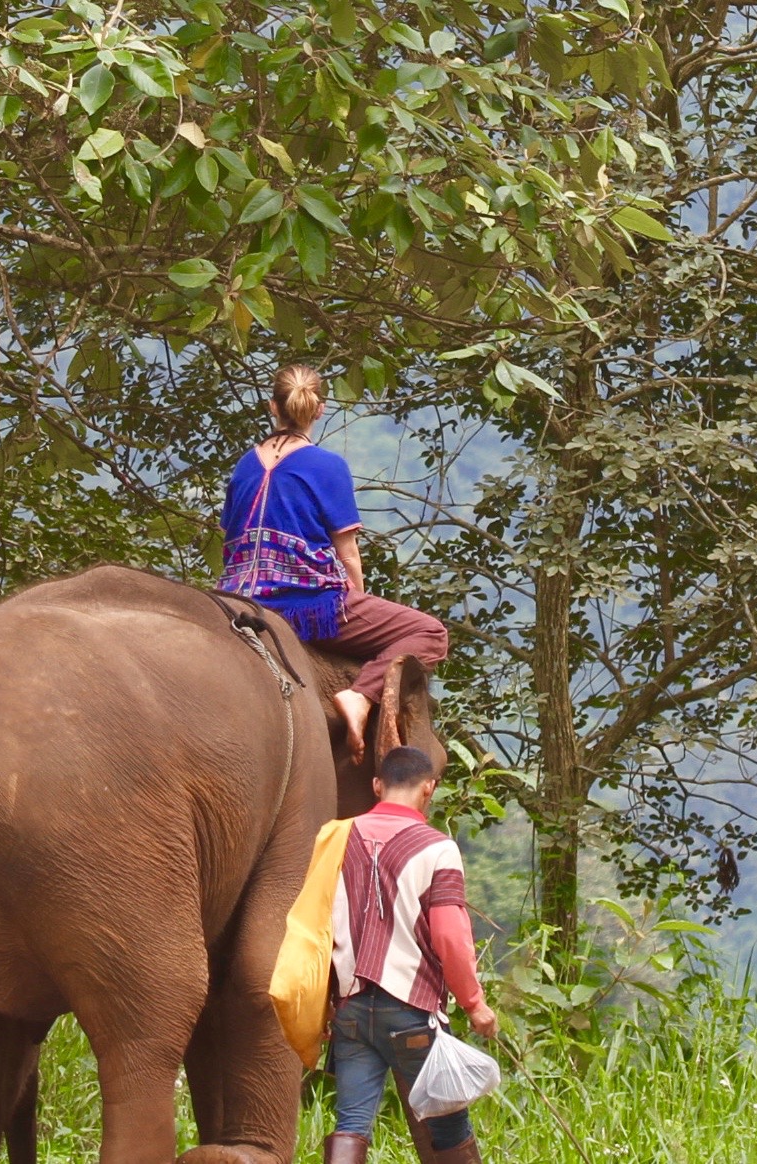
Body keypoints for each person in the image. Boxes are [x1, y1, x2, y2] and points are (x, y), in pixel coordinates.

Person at [218, 365, 450, 753]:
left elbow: (230, 540)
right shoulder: (327, 466)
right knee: (431, 633)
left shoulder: (245, 465)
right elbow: (348, 555)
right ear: (320, 409)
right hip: (306, 608)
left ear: (272, 407)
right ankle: (361, 695)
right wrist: (356, 598)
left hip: (237, 601)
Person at [323, 746, 498, 1164]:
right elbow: (450, 937)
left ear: (377, 786)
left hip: (349, 1007)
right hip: (411, 1010)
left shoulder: (335, 838)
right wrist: (474, 1005)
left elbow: (315, 926)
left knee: (351, 1124)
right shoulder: (438, 849)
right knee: (449, 1127)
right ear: (429, 788)